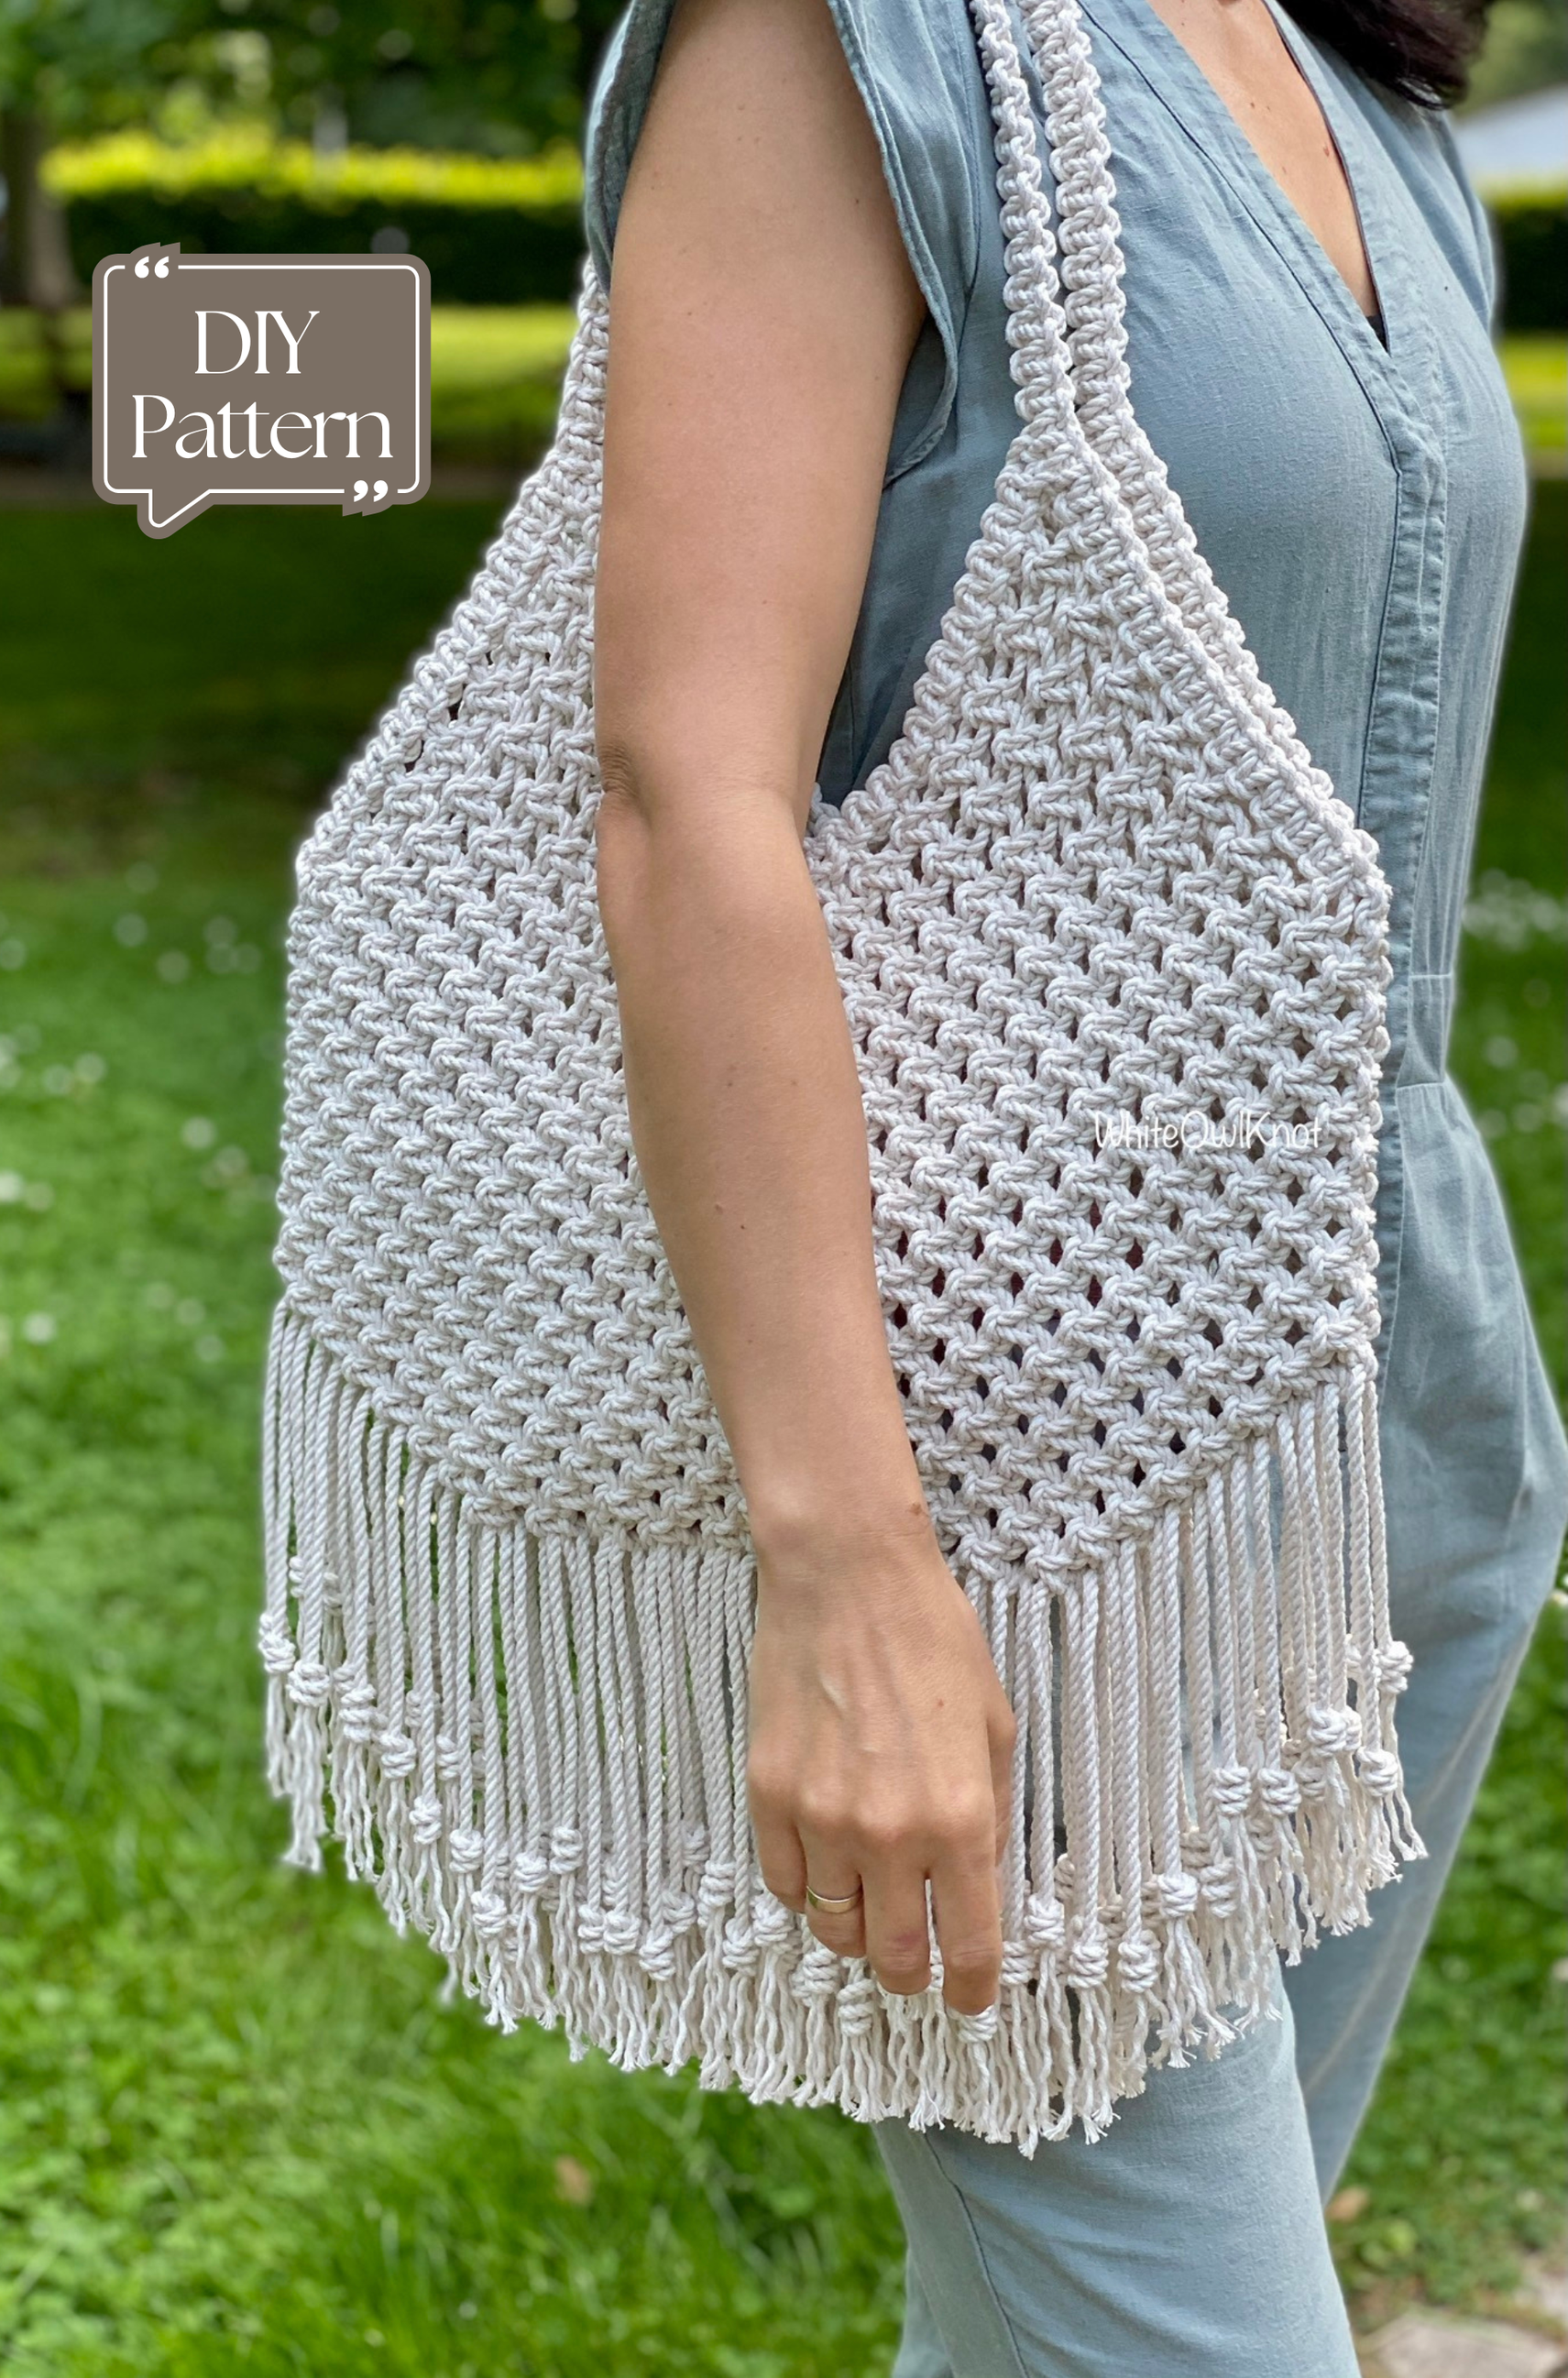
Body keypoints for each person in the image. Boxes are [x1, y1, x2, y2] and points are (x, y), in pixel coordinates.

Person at [581, 0, 1568, 2366]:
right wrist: (838, 1557)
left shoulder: (1353, 59)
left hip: (1388, 1432)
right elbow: (680, 793)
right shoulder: (842, 38)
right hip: (1012, 1472)